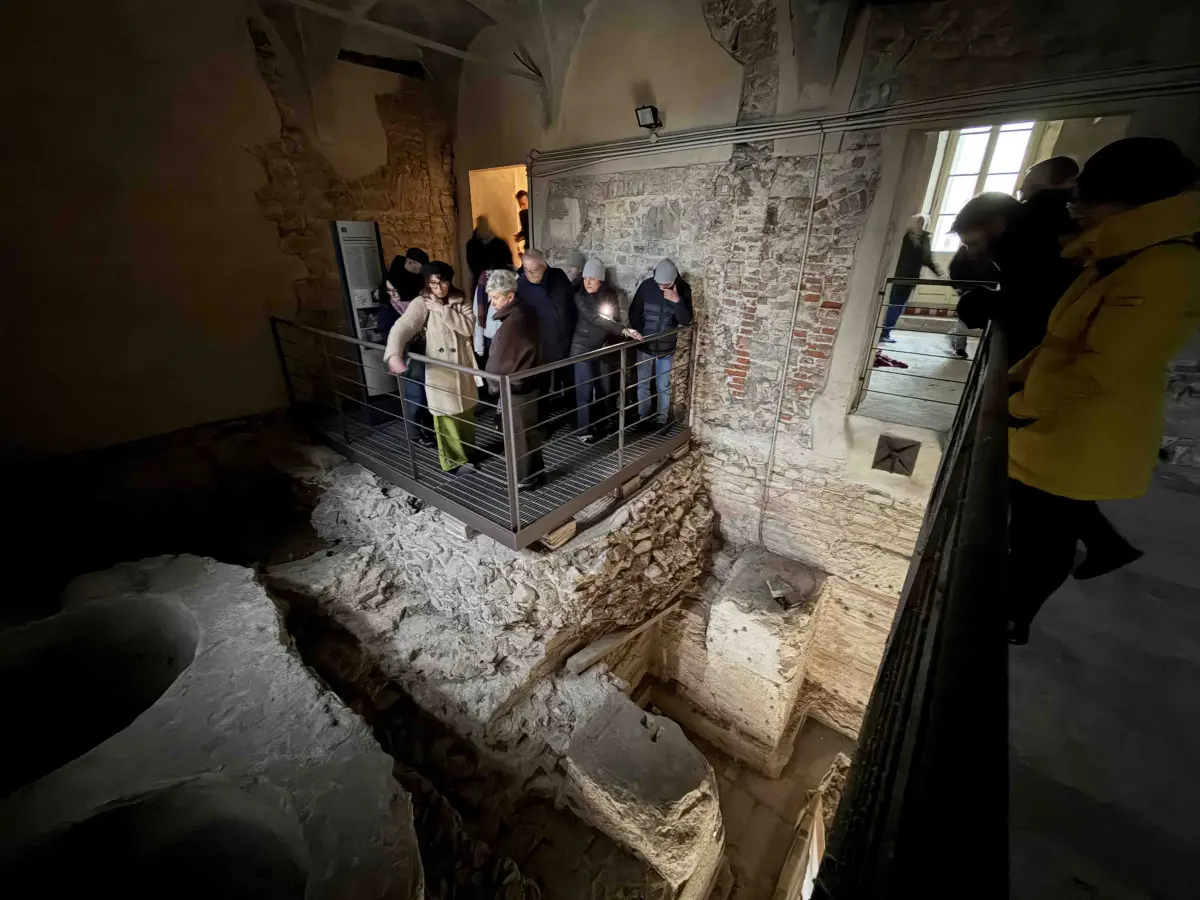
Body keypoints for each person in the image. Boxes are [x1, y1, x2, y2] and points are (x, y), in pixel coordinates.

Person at [1005, 137, 1200, 645]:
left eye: (1088, 200)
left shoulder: (1164, 267)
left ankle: (1015, 618)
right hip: (1060, 424)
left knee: (1041, 540)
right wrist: (1017, 378)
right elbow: (1060, 339)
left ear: (1136, 201)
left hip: (1082, 428)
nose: (1079, 211)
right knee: (1042, 520)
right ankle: (1104, 549)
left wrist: (1020, 405)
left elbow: (1101, 368)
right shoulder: (1112, 259)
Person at [951, 184, 1081, 363]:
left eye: (972, 243)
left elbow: (1033, 301)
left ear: (995, 223)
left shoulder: (1031, 247)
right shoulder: (1017, 242)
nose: (971, 253)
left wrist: (983, 304)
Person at [384, 261, 480, 474]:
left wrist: (442, 310)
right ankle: (452, 463)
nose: (439, 288)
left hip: (462, 369)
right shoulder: (421, 302)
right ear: (427, 283)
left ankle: (468, 453)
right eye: (434, 283)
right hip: (440, 371)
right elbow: (404, 326)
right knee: (445, 418)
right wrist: (393, 353)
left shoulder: (460, 298)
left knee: (465, 414)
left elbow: (468, 327)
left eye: (443, 282)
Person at [485, 269, 546, 490]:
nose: (492, 303)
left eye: (495, 298)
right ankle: (536, 473)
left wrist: (492, 387)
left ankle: (524, 479)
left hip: (516, 386)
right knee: (528, 431)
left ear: (509, 296)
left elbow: (499, 363)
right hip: (529, 382)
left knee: (518, 436)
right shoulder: (524, 313)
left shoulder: (513, 322)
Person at [570, 258, 642, 442]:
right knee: (584, 392)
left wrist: (621, 337)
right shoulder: (579, 297)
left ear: (600, 280)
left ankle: (601, 424)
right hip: (582, 351)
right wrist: (624, 330)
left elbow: (614, 317)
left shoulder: (609, 296)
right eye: (586, 278)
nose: (587, 282)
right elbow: (596, 319)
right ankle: (583, 431)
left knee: (603, 389)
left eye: (592, 279)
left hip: (601, 350)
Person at [376, 248, 432, 445]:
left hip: (420, 348)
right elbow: (392, 327)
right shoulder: (397, 290)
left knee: (424, 392)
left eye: (418, 266)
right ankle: (417, 434)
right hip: (408, 351)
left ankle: (425, 430)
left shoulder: (415, 290)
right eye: (389, 291)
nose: (393, 295)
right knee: (415, 393)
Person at [629, 259, 694, 427]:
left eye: (666, 285)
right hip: (645, 345)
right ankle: (644, 418)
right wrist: (639, 332)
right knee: (642, 384)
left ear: (674, 281)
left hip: (667, 347)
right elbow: (634, 311)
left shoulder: (683, 289)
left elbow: (686, 320)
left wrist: (677, 300)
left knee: (662, 385)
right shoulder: (646, 286)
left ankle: (661, 420)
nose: (661, 288)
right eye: (659, 284)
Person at [517, 249, 577, 429]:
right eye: (525, 270)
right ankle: (541, 425)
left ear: (544, 266)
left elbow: (570, 308)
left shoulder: (558, 278)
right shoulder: (521, 284)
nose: (528, 274)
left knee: (570, 382)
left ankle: (575, 419)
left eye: (533, 271)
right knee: (540, 388)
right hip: (539, 345)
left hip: (563, 341)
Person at [880, 214, 942, 343]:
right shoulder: (904, 237)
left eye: (923, 222)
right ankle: (884, 332)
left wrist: (939, 273)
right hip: (897, 275)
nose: (920, 224)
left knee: (897, 305)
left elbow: (927, 259)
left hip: (909, 278)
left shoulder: (924, 239)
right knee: (894, 305)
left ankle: (886, 332)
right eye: (918, 221)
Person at [465, 216, 515, 292]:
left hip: (500, 281)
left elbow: (508, 263)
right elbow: (472, 265)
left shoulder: (500, 244)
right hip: (481, 281)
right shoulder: (472, 245)